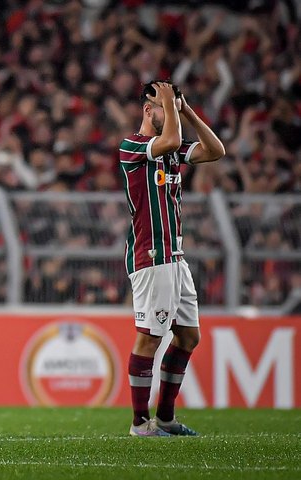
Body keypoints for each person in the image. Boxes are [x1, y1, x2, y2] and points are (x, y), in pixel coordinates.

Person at [119, 81, 225, 436]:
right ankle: (138, 424)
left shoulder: (171, 151)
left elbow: (215, 150)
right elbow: (167, 141)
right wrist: (164, 96)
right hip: (151, 256)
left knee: (188, 337)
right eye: (165, 108)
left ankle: (164, 417)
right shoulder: (133, 146)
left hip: (176, 257)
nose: (173, 115)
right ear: (148, 110)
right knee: (149, 337)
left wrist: (187, 109)